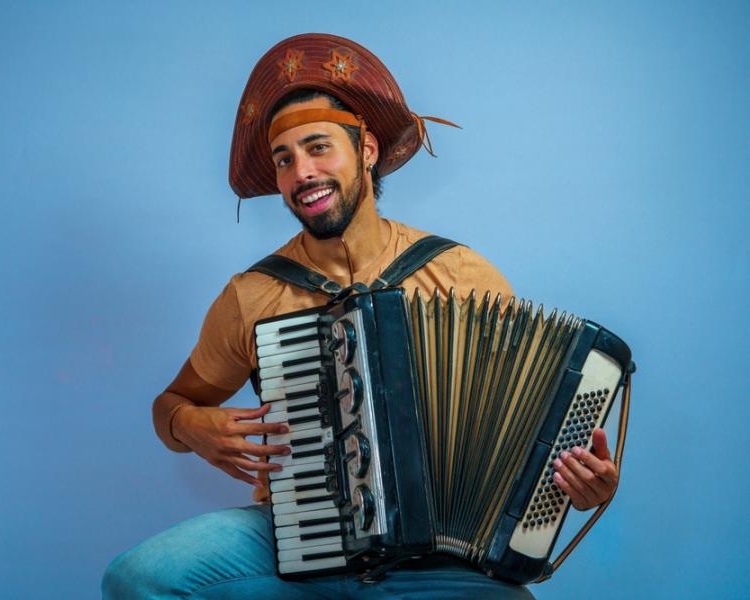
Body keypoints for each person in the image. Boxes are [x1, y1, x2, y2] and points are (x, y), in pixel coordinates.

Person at [102, 33, 620, 599]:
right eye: (285, 159)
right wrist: (190, 426)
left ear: (366, 151)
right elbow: (170, 406)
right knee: (138, 577)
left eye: (319, 147)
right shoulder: (253, 295)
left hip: (438, 561)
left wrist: (578, 486)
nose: (302, 172)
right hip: (291, 545)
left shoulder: (461, 273)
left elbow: (525, 431)